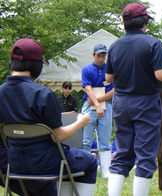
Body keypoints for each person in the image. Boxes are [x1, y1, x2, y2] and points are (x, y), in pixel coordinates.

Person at [0, 38, 97, 195]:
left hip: (14, 163)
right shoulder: (42, 94)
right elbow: (57, 136)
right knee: (91, 162)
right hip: (45, 163)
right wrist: (81, 122)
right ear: (35, 65)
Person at [106, 2, 162, 196]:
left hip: (121, 102)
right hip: (146, 102)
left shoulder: (115, 45)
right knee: (145, 155)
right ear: (144, 22)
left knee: (122, 152)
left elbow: (108, 78)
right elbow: (160, 76)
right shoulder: (153, 43)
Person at [81, 43, 115, 179]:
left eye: (103, 55)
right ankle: (84, 168)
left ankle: (106, 171)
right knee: (86, 141)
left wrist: (98, 101)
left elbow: (114, 90)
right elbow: (87, 88)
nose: (101, 58)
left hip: (106, 105)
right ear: (93, 55)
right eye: (99, 55)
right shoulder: (87, 69)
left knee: (105, 140)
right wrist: (97, 104)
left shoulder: (110, 70)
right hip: (90, 106)